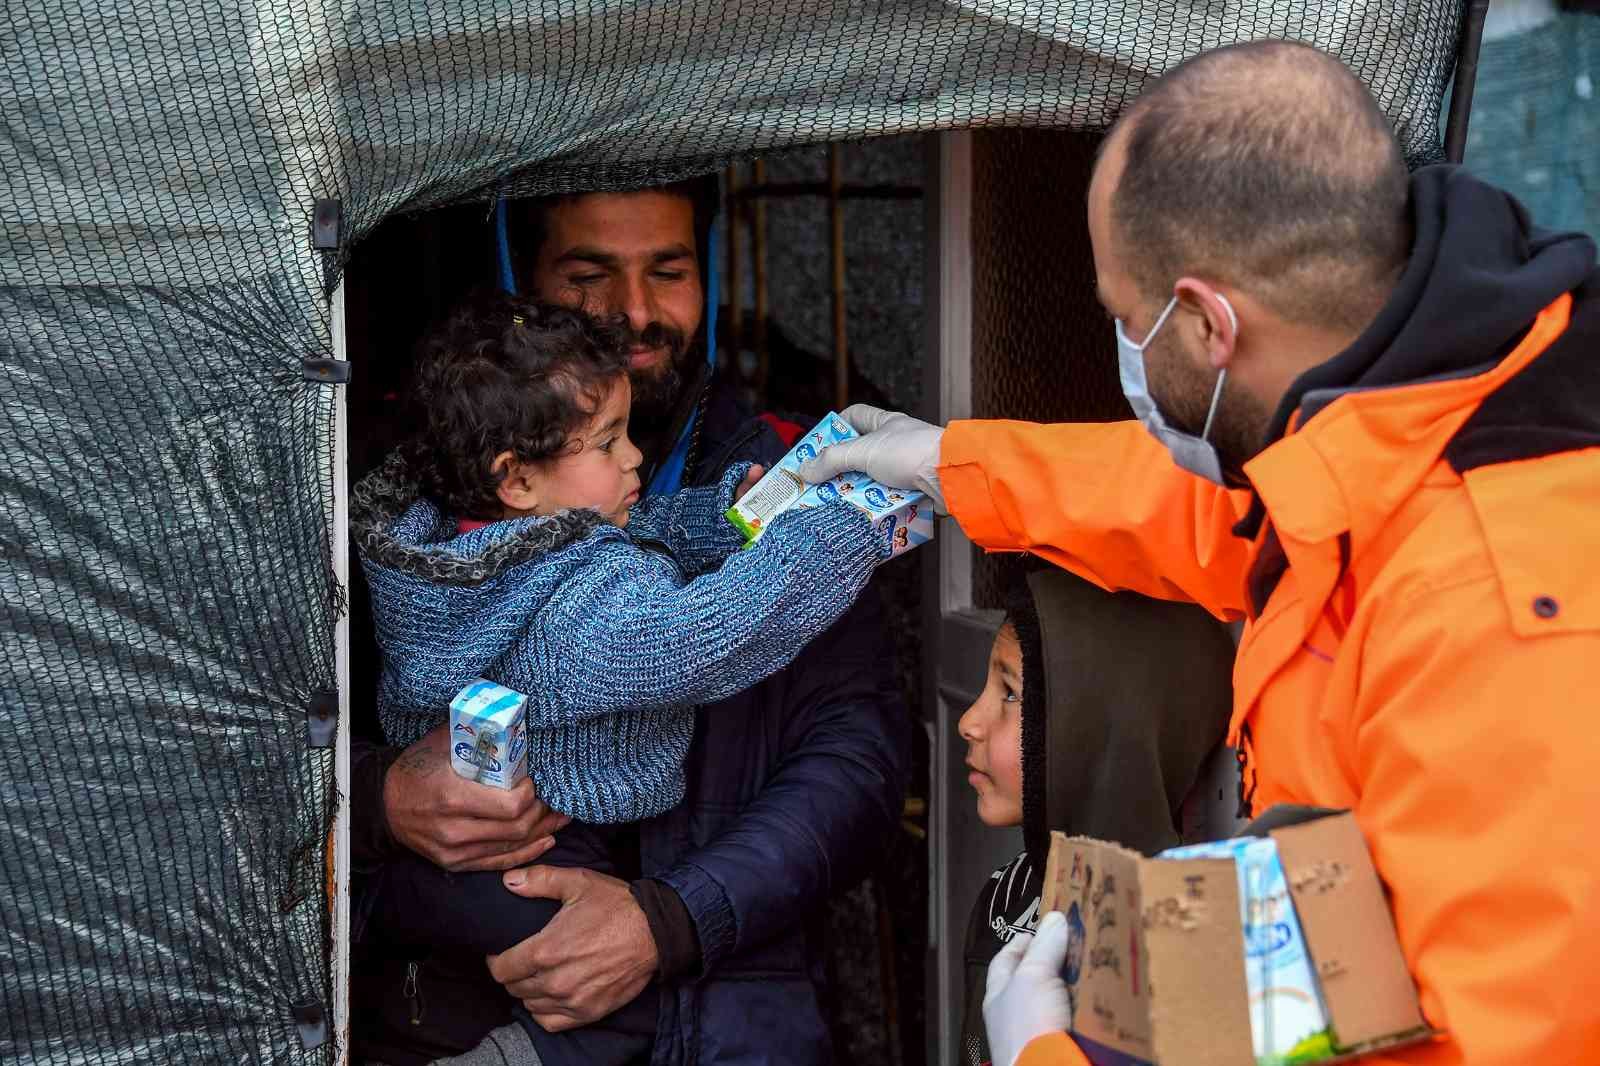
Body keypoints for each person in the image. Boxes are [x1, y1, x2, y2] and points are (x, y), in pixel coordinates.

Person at [803, 39, 1600, 1066]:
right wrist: (952, 463)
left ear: (1210, 324)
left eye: (1127, 319)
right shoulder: (1414, 406)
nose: (1123, 351)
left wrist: (1048, 1057)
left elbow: (1501, 1038)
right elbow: (1200, 512)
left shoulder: (1502, 604)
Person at [349, 179, 910, 1065]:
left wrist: (673, 920)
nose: (635, 310)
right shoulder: (558, 584)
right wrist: (372, 796)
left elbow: (859, 761)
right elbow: (701, 635)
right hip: (487, 926)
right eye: (588, 273)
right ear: (516, 274)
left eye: (671, 270)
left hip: (727, 1010)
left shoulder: (481, 522)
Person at [956, 566, 1234, 1066]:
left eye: (1011, 694)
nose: (969, 720)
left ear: (1102, 733)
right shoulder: (1007, 893)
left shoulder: (1174, 943)